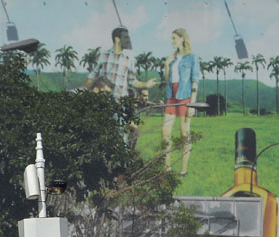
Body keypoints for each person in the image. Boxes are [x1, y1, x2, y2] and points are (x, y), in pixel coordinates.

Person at [161, 28, 199, 175]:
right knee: (165, 131)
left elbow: (195, 80)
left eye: (174, 38)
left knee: (184, 133)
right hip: (171, 95)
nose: (172, 42)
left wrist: (192, 104)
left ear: (182, 38)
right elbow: (167, 80)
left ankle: (183, 170)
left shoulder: (192, 57)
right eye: (171, 39)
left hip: (185, 96)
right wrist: (166, 65)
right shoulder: (172, 58)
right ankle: (167, 167)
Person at [84, 27, 158, 100]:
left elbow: (132, 81)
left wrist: (146, 84)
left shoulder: (129, 59)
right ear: (117, 39)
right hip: (104, 101)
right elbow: (91, 76)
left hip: (120, 103)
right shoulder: (102, 55)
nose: (128, 41)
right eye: (125, 37)